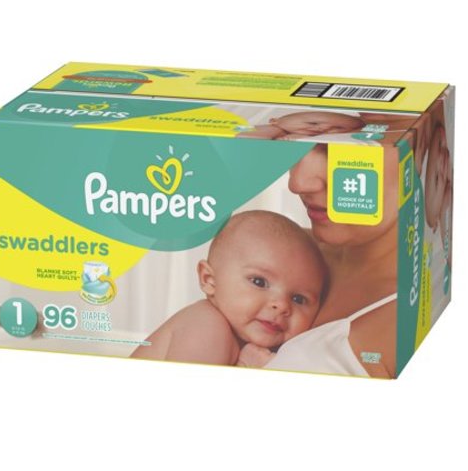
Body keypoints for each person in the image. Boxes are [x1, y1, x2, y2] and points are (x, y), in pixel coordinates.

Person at [238, 144, 401, 378]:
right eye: (295, 144)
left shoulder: (412, 316)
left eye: (338, 146)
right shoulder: (270, 247)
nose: (297, 184)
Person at [131, 210, 327, 366]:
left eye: (298, 299)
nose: (282, 305)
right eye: (259, 282)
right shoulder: (207, 327)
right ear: (209, 280)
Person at [237, 110, 364, 140]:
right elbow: (238, 132)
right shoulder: (275, 127)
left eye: (337, 128)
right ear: (274, 120)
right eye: (313, 123)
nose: (323, 128)